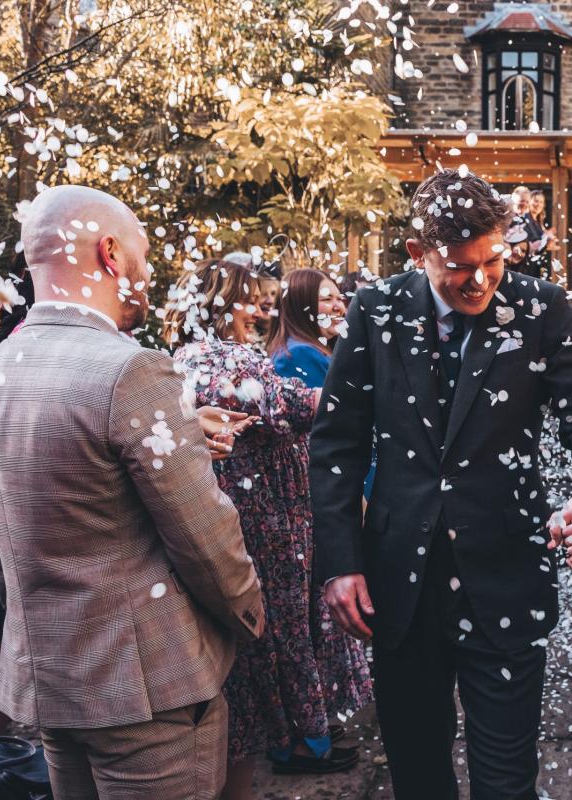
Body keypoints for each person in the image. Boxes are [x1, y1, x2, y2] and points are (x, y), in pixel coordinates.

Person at [309, 169, 572, 799]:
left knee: (507, 782)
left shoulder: (540, 306)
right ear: (417, 253)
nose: (481, 279)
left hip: (507, 568)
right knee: (417, 776)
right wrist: (340, 563)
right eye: (459, 266)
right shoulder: (374, 310)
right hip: (400, 582)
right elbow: (336, 445)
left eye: (493, 259)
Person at [0, 185, 264, 798]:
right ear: (111, 254)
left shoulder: (3, 363)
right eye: (142, 254)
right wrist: (248, 615)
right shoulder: (131, 369)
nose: (146, 273)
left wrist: (182, 432)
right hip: (148, 686)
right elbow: (205, 537)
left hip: (48, 678)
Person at [165, 258, 371, 798]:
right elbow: (278, 402)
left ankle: (281, 746)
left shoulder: (207, 354)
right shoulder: (209, 357)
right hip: (262, 531)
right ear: (220, 303)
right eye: (252, 299)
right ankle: (286, 749)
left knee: (263, 664)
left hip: (266, 523)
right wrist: (362, 389)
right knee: (263, 660)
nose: (261, 310)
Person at [269, 268, 348, 388]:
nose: (339, 307)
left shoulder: (309, 349)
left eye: (339, 299)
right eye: (327, 299)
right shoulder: (300, 354)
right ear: (301, 306)